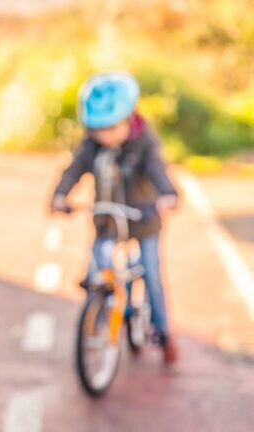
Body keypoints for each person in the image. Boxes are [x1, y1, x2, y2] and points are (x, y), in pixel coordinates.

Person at [50, 71, 180, 364]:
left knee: (151, 273)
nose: (103, 136)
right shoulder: (91, 144)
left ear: (128, 119)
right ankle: (98, 310)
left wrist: (168, 195)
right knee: (98, 266)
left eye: (110, 128)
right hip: (107, 220)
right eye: (96, 130)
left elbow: (159, 171)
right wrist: (60, 195)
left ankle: (164, 332)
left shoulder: (145, 141)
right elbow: (73, 169)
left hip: (144, 220)